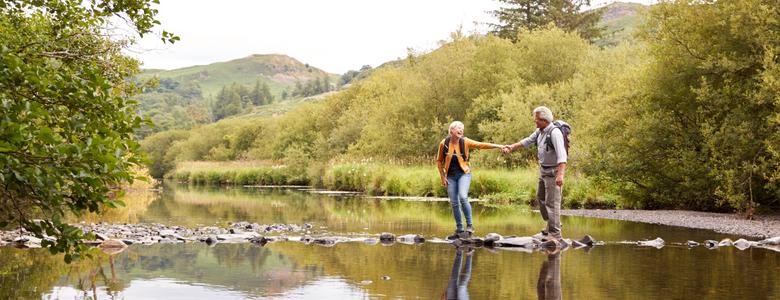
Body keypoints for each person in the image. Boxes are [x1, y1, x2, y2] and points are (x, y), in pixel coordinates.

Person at [502, 106, 567, 243]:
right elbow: (527, 141)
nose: (535, 122)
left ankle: (555, 234)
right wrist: (511, 147)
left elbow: (562, 156)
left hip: (554, 172)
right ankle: (550, 226)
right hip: (543, 170)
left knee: (552, 203)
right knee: (541, 198)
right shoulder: (540, 131)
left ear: (544, 120)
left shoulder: (555, 133)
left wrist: (560, 175)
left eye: (536, 120)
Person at [436, 121, 504, 239]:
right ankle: (459, 229)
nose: (461, 130)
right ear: (451, 130)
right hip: (450, 177)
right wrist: (443, 177)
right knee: (454, 202)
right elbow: (439, 161)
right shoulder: (444, 143)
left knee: (463, 197)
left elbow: (481, 145)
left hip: (464, 174)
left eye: (462, 128)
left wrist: (499, 146)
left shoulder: (465, 141)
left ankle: (470, 226)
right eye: (459, 128)